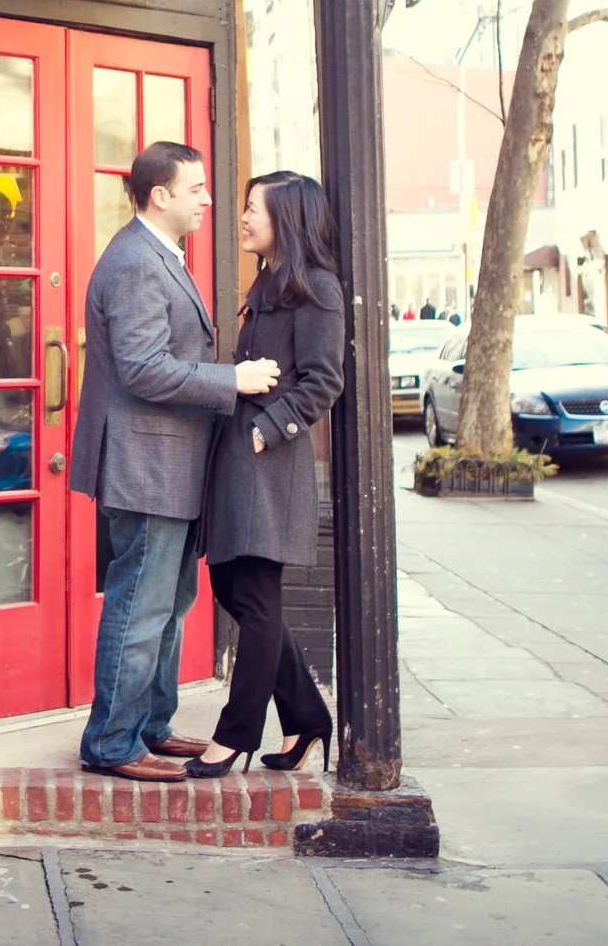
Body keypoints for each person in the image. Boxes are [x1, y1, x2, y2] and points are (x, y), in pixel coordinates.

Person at [69, 141, 280, 783]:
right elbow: (141, 367)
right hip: (148, 467)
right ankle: (110, 743)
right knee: (140, 605)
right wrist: (232, 381)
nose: (207, 201)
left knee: (170, 602)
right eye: (196, 190)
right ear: (159, 195)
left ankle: (149, 726)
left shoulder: (159, 255)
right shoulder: (136, 261)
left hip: (172, 466)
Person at [188, 172, 345, 778]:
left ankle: (236, 735)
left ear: (288, 217)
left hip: (267, 460)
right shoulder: (270, 283)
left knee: (253, 597)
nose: (243, 216)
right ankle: (307, 718)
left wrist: (265, 428)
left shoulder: (317, 290)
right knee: (234, 589)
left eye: (253, 207)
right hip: (239, 455)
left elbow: (323, 380)